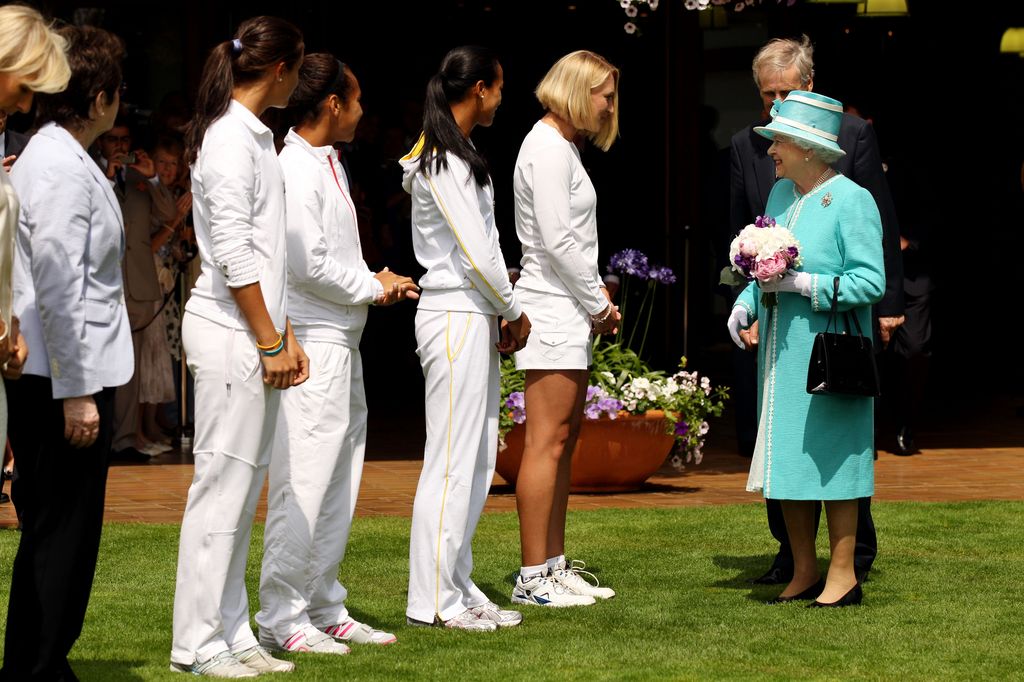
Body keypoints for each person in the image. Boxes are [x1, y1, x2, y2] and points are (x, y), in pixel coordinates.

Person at [255, 54, 417, 655]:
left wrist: (373, 276)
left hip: (342, 339)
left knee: (339, 481)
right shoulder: (294, 167)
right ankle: (280, 613)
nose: (362, 110)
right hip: (312, 343)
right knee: (305, 479)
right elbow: (306, 263)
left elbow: (331, 255)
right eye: (356, 99)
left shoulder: (328, 163)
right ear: (331, 104)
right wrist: (376, 285)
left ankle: (322, 602)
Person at [728, 35, 903, 586]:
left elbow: (869, 280)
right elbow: (764, 267)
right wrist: (744, 299)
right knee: (788, 466)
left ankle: (844, 573)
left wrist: (807, 284)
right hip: (781, 355)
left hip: (830, 350)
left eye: (778, 141)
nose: (770, 149)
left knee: (837, 466)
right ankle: (803, 569)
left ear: (806, 146)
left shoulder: (853, 199)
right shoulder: (781, 198)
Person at [169, 16, 308, 678]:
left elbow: (265, 250)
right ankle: (196, 642)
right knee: (220, 492)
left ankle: (231, 630)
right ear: (279, 70)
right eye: (298, 69)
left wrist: (285, 332)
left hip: (248, 329)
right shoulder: (230, 141)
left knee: (237, 491)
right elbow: (231, 252)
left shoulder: (253, 139)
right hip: (230, 331)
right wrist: (270, 336)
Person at [3, 22, 133, 681]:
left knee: (63, 531)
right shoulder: (56, 161)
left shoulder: (56, 156)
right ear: (102, 96)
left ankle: (43, 660)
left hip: (58, 369)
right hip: (59, 377)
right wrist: (77, 391)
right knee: (60, 531)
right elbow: (57, 281)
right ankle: (38, 665)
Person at [401, 45, 530, 631]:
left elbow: (485, 243)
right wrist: (512, 307)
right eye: (498, 87)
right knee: (452, 459)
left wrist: (502, 307)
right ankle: (433, 598)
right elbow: (476, 253)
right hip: (454, 310)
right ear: (479, 88)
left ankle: (454, 580)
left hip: (472, 312)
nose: (502, 98)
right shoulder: (442, 158)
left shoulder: (459, 151)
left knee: (475, 457)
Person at [509, 50, 621, 608]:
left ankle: (551, 564)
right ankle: (532, 576)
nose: (608, 106)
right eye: (603, 95)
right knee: (546, 442)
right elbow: (557, 242)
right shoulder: (547, 149)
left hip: (565, 307)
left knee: (562, 441)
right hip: (551, 307)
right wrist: (598, 301)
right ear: (578, 91)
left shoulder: (562, 148)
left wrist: (592, 302)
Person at [98, 116, 168, 460]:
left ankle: (125, 441)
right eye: (113, 140)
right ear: (101, 142)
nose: (120, 146)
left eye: (124, 140)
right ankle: (102, 437)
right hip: (104, 284)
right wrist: (109, 177)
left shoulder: (142, 178)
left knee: (132, 369)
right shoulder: (93, 175)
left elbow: (169, 213)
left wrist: (153, 175)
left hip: (138, 285)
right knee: (103, 366)